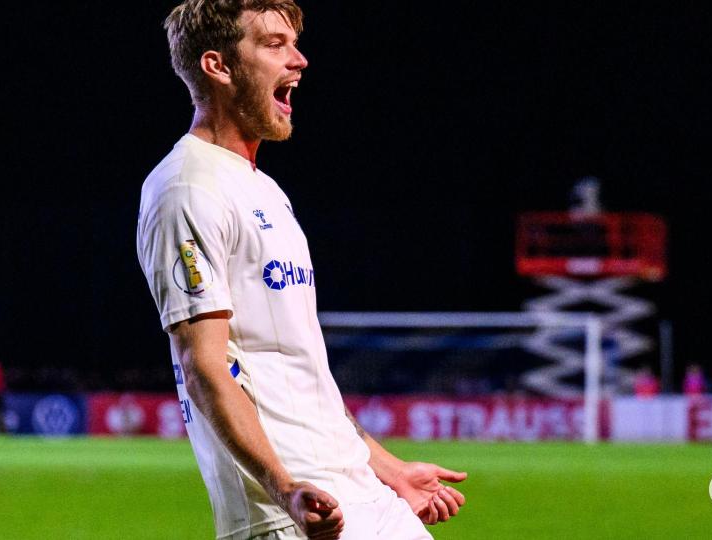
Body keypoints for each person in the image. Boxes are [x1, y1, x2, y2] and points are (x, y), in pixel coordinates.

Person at [137, 2, 466, 539]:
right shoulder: (186, 188)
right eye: (273, 44)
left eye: (294, 42)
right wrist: (284, 488)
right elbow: (204, 368)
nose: (299, 59)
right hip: (295, 511)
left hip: (361, 492)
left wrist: (389, 470)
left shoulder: (265, 189)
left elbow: (298, 373)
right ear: (218, 67)